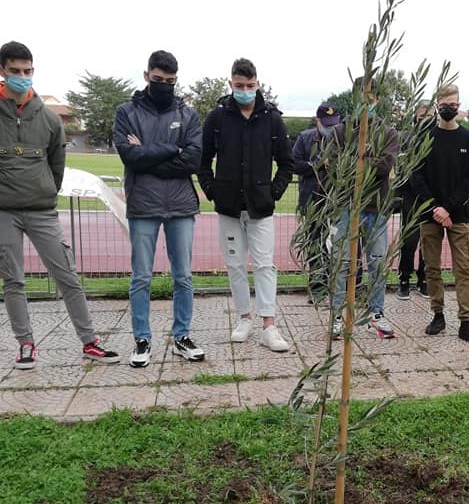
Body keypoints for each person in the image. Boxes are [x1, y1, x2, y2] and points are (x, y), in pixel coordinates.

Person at [0, 41, 119, 369]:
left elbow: (56, 166)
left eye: (27, 71)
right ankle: (25, 343)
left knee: (67, 274)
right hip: (4, 213)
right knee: (13, 280)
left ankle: (90, 341)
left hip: (41, 210)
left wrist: (46, 194)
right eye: (15, 71)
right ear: (2, 71)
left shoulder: (50, 121)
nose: (22, 77)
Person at [114, 50, 204, 367]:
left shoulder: (189, 115)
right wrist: (171, 150)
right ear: (146, 76)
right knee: (141, 277)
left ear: (176, 80)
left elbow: (193, 159)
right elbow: (129, 156)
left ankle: (182, 336)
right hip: (143, 205)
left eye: (170, 81)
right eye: (158, 79)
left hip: (180, 205)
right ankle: (142, 339)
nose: (164, 85)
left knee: (183, 277)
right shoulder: (126, 112)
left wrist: (150, 159)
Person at [198, 58, 293, 352]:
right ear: (230, 84)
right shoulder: (217, 119)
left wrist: (273, 192)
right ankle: (243, 318)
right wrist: (213, 191)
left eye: (250, 86)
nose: (245, 90)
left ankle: (269, 325)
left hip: (261, 208)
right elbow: (203, 162)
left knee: (265, 265)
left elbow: (286, 163)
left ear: (257, 84)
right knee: (235, 265)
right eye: (239, 86)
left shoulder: (272, 119)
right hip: (228, 207)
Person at [412, 84, 469, 346]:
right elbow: (416, 176)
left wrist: (448, 209)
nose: (448, 108)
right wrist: (435, 207)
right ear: (436, 104)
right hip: (429, 215)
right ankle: (437, 314)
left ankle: (466, 322)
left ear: (459, 106)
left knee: (463, 269)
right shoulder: (424, 138)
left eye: (453, 104)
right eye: (444, 103)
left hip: (459, 216)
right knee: (431, 268)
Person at [330, 78, 399, 340]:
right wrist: (366, 159)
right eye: (362, 96)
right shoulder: (340, 132)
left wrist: (357, 159)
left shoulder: (389, 133)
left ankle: (376, 313)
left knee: (377, 262)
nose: (366, 101)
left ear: (377, 100)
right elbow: (338, 167)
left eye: (371, 97)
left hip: (376, 207)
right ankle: (338, 315)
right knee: (343, 262)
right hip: (347, 206)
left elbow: (384, 167)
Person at [292, 102, 342, 304]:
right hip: (312, 200)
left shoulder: (343, 138)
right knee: (315, 244)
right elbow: (294, 164)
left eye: (334, 124)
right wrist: (317, 165)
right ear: (318, 121)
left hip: (337, 200)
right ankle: (317, 287)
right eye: (327, 124)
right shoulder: (305, 138)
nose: (331, 128)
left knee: (339, 244)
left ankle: (339, 287)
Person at [396, 100, 434, 300]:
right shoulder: (406, 139)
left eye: (429, 116)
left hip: (431, 198)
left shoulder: (438, 138)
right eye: (421, 116)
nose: (425, 120)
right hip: (410, 196)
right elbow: (401, 169)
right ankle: (404, 278)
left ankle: (424, 279)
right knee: (409, 241)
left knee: (429, 240)